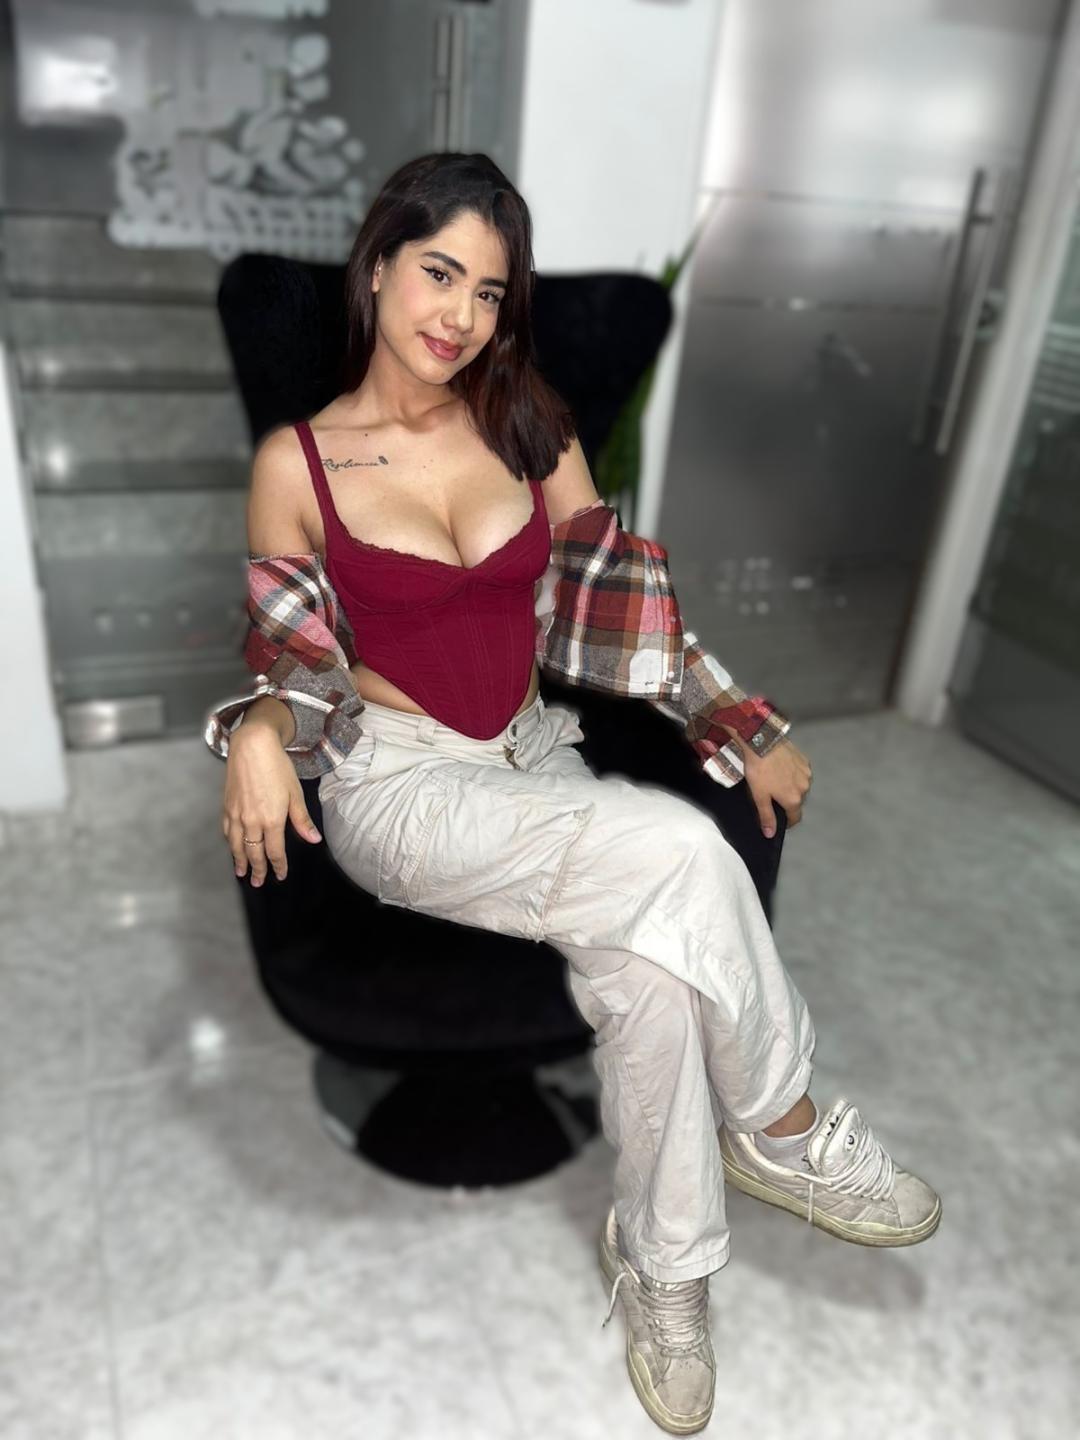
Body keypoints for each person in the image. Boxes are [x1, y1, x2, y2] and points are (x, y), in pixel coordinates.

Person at [205, 152, 941, 1436]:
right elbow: (294, 658)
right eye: (440, 273)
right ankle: (786, 1128)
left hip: (535, 760)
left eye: (490, 292)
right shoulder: (299, 461)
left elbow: (625, 617)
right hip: (402, 789)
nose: (461, 314)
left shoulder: (527, 424)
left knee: (652, 978)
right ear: (378, 267)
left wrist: (735, 718)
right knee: (682, 852)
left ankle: (664, 1273)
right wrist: (261, 728)